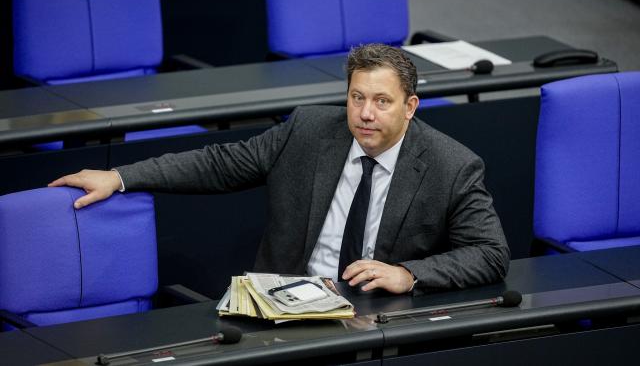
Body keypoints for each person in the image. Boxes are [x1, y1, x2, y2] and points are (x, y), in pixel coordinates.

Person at [50, 44, 510, 295]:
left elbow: (490, 253)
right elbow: (218, 163)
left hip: (376, 312)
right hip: (288, 303)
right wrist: (120, 177)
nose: (365, 114)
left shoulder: (452, 164)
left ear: (411, 107)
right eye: (356, 98)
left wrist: (409, 274)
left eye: (382, 102)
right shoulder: (309, 129)